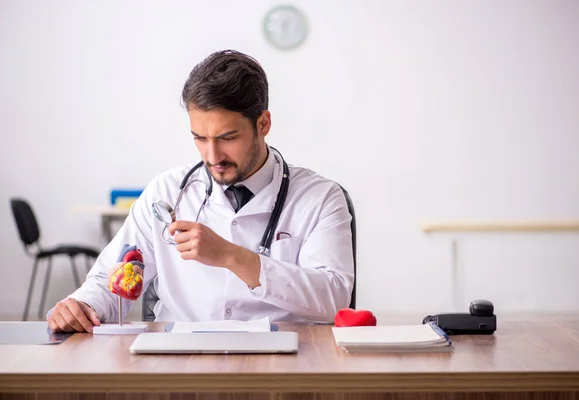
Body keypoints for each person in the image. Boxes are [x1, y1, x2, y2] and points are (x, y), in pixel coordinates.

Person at [47, 50, 354, 333]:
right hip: (179, 362)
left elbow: (334, 297)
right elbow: (110, 278)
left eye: (227, 137)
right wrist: (83, 306)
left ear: (263, 123)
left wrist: (231, 256)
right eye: (199, 138)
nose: (212, 156)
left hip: (283, 362)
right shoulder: (165, 192)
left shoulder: (320, 198)